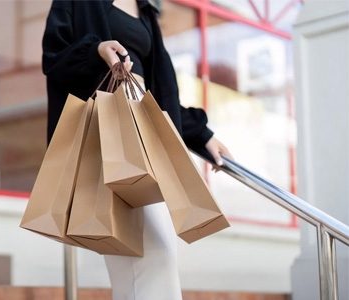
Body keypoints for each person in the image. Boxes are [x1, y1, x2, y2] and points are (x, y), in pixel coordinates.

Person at [42, 0, 232, 299]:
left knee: (150, 253)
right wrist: (95, 51)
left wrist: (200, 134)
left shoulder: (146, 9)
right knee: (149, 252)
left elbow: (160, 89)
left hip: (144, 131)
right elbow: (55, 59)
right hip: (106, 131)